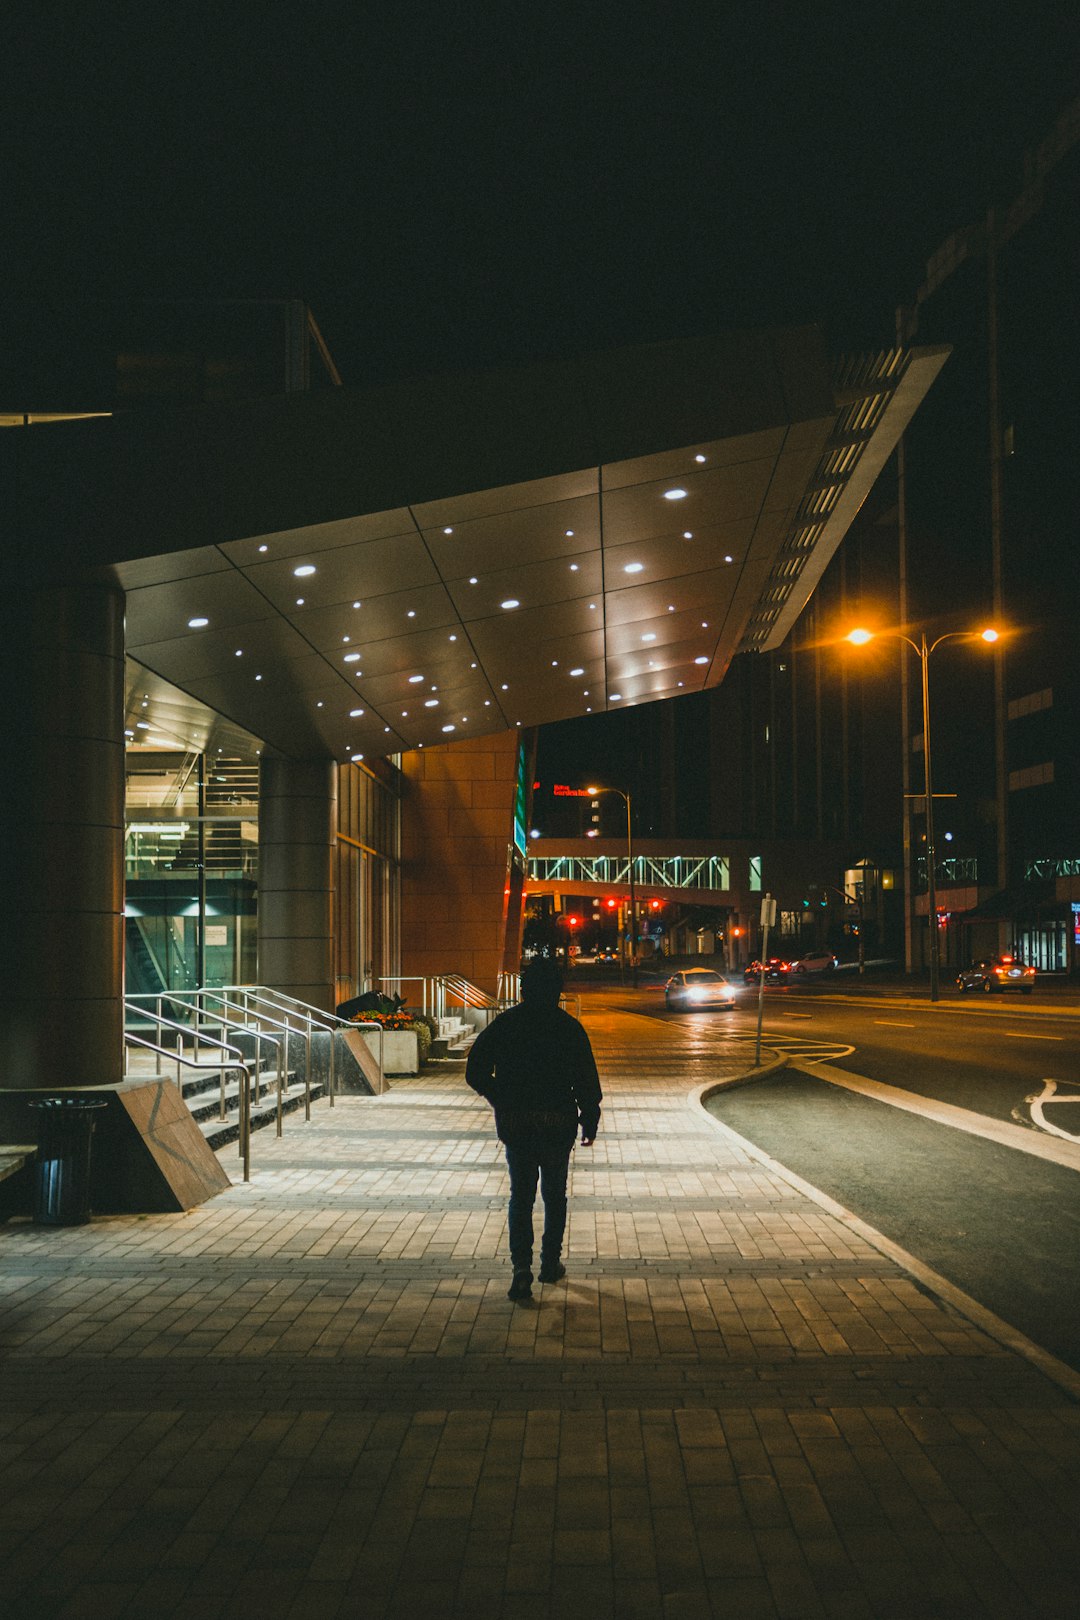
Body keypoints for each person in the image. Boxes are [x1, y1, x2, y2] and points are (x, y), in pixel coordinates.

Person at [466, 957, 602, 1302]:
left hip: (517, 1122)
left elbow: (475, 1070)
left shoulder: (506, 1025)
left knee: (521, 1196)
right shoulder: (569, 1028)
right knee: (555, 1196)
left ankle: (521, 1270)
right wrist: (589, 1120)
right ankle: (549, 1262)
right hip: (557, 1121)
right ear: (557, 992)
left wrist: (500, 1097)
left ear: (523, 991)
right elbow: (587, 1081)